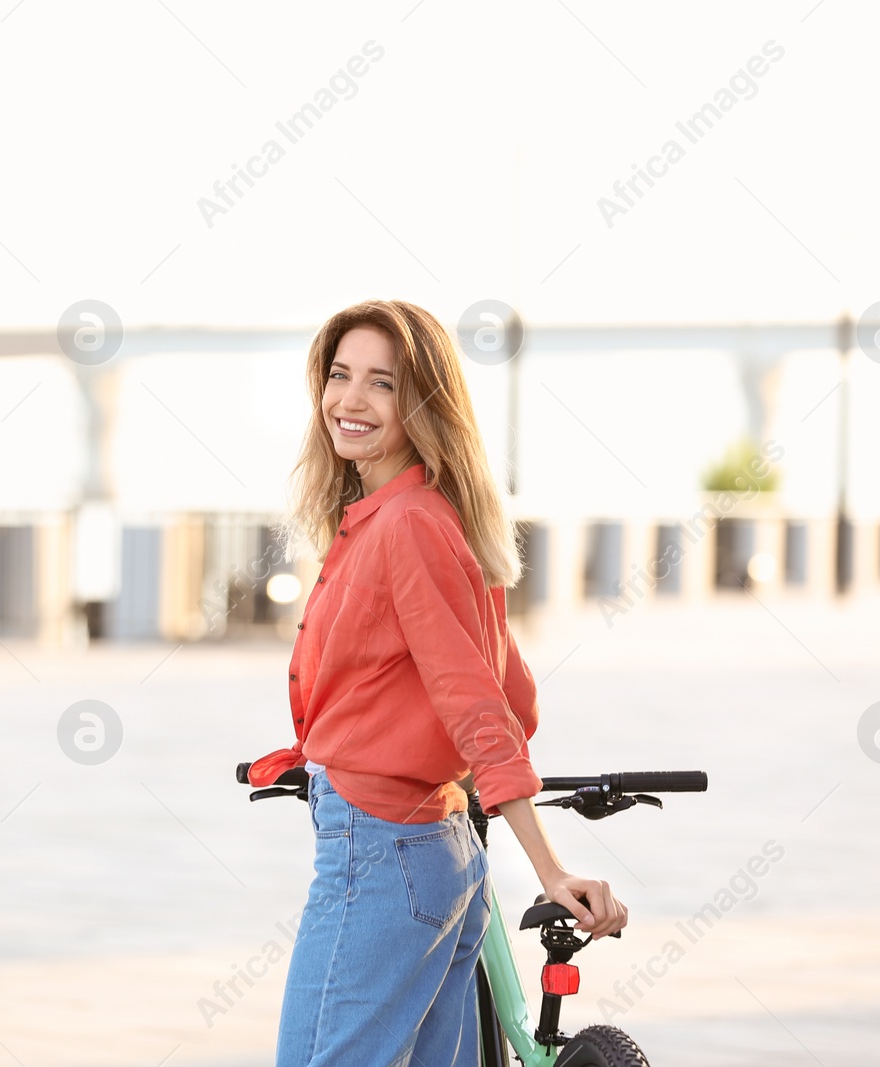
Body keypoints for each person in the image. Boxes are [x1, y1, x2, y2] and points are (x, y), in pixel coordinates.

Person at [247, 300, 626, 1066]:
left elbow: (481, 709)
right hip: (441, 856)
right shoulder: (428, 516)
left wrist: (550, 867)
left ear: (420, 404)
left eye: (381, 384)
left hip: (379, 852)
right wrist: (350, 741)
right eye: (340, 375)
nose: (349, 400)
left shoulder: (404, 527)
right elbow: (513, 697)